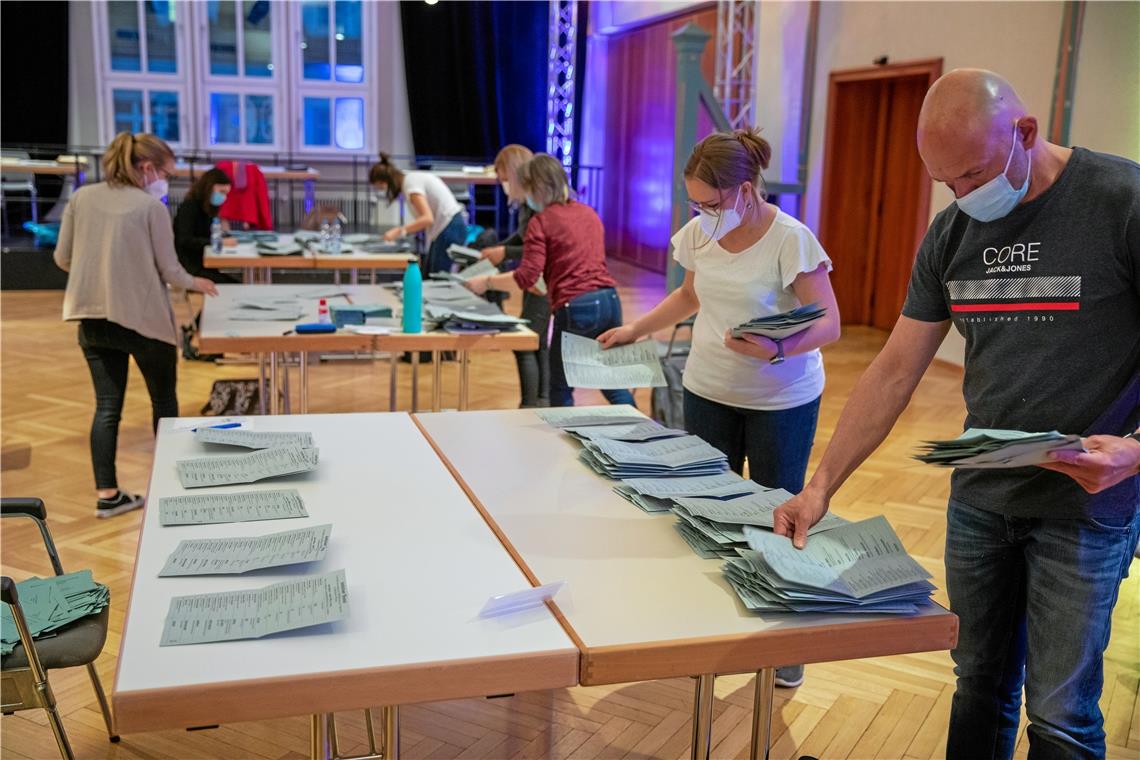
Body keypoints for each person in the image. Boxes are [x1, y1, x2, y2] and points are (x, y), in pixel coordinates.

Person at [774, 69, 1140, 759]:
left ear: (1025, 134)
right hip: (981, 501)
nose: (963, 197)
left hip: (1085, 512)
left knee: (1061, 713)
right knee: (979, 682)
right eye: (947, 183)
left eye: (972, 175)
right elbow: (893, 371)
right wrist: (821, 485)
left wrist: (1135, 451)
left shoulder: (1122, 202)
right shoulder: (952, 232)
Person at [599, 128, 841, 689]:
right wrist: (636, 329)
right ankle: (712, 628)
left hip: (780, 396)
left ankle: (785, 638)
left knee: (779, 511)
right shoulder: (701, 233)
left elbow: (828, 321)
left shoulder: (790, 239)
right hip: (709, 387)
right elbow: (690, 296)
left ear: (747, 190)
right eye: (695, 203)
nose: (703, 213)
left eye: (711, 203)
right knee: (707, 504)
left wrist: (778, 346)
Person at [53, 131, 218, 518]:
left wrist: (101, 268)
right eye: (167, 173)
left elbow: (63, 258)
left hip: (91, 316)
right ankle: (170, 485)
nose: (167, 181)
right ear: (147, 168)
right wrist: (199, 283)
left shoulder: (81, 197)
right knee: (164, 402)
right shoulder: (150, 207)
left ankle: (108, 494)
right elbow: (170, 269)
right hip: (143, 320)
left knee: (107, 407)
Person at [465, 154, 633, 407]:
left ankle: (562, 444)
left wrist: (486, 282)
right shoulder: (588, 213)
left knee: (560, 388)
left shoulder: (540, 222)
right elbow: (575, 259)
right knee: (612, 382)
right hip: (609, 299)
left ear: (535, 188)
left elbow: (526, 276)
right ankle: (643, 438)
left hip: (575, 306)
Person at [480, 144, 551, 407]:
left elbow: (536, 247)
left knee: (526, 340)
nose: (503, 185)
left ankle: (530, 406)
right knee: (537, 341)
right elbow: (523, 238)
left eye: (504, 179)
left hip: (543, 279)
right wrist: (500, 250)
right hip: (536, 278)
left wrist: (504, 252)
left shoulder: (537, 201)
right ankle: (541, 402)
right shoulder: (526, 203)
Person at [370, 153, 467, 275]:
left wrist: (399, 231)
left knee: (437, 279)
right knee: (430, 274)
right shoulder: (411, 179)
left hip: (449, 227)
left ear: (386, 182)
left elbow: (427, 218)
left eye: (382, 188)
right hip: (447, 227)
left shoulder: (410, 184)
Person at [173, 167, 237, 283]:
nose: (224, 197)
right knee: (235, 286)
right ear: (209, 188)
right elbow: (185, 240)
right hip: (189, 267)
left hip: (201, 263)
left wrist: (222, 234)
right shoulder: (190, 207)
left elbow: (205, 234)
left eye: (226, 193)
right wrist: (218, 242)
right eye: (221, 192)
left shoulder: (206, 208)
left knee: (235, 285)